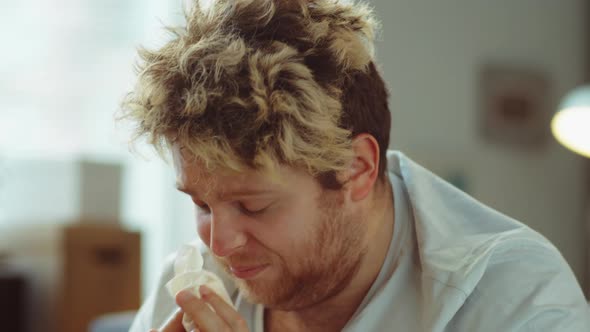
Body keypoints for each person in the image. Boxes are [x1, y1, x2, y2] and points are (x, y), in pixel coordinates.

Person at [121, 0, 590, 331]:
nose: (219, 243)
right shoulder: (192, 283)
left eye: (252, 206)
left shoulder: (512, 299)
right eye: (202, 204)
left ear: (357, 169)